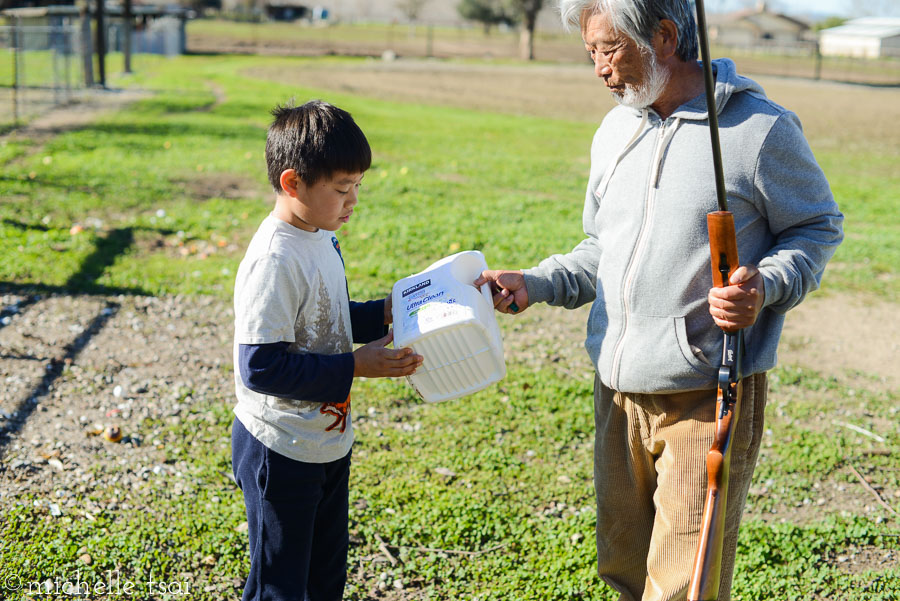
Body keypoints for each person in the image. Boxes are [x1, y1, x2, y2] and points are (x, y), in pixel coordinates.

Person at [475, 1, 843, 600]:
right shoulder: (616, 129)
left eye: (609, 49)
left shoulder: (758, 129)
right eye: (591, 51)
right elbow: (603, 248)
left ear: (665, 36)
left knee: (682, 588)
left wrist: (765, 286)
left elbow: (816, 228)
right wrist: (535, 282)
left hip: (707, 391)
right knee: (623, 569)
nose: (598, 68)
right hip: (617, 391)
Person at [230, 100, 423, 601]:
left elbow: (326, 317)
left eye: (358, 186)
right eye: (342, 189)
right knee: (280, 583)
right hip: (280, 448)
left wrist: (381, 312)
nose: (353, 200)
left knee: (323, 576)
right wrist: (356, 366)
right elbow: (260, 366)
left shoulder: (318, 234)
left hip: (326, 441)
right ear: (293, 183)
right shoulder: (275, 259)